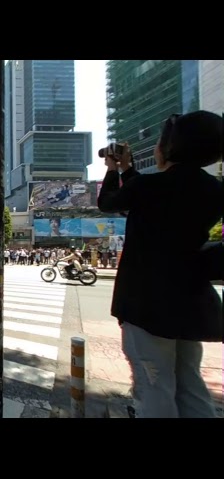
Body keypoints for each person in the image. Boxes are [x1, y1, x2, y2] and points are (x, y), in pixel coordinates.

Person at [98, 110, 223, 418]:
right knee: (190, 383)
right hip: (191, 300)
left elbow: (109, 202)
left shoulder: (149, 188)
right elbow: (154, 191)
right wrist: (128, 169)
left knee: (153, 385)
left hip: (146, 302)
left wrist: (113, 170)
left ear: (170, 147)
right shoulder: (215, 190)